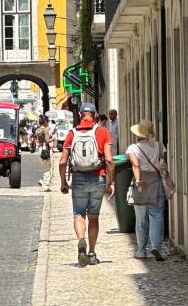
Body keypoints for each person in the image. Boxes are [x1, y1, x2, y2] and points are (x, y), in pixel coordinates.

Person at [59, 102, 114, 267]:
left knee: (78, 214)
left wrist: (63, 182)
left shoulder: (71, 133)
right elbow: (110, 160)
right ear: (95, 114)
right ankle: (91, 253)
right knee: (94, 217)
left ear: (80, 115)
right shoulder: (102, 132)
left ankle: (80, 239)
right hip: (98, 177)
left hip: (78, 178)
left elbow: (62, 161)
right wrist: (111, 182)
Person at [126, 119, 168, 261]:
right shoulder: (159, 146)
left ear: (138, 134)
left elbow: (135, 165)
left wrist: (138, 181)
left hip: (141, 184)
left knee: (141, 220)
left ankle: (141, 250)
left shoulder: (133, 148)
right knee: (156, 216)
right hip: (156, 183)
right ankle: (155, 246)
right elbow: (163, 164)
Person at [35, 115, 54, 190]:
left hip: (40, 148)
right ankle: (45, 185)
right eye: (48, 121)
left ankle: (42, 181)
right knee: (48, 167)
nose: (48, 122)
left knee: (45, 166)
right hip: (46, 148)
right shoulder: (45, 129)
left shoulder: (38, 129)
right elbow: (47, 141)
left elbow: (41, 139)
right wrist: (53, 138)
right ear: (45, 121)